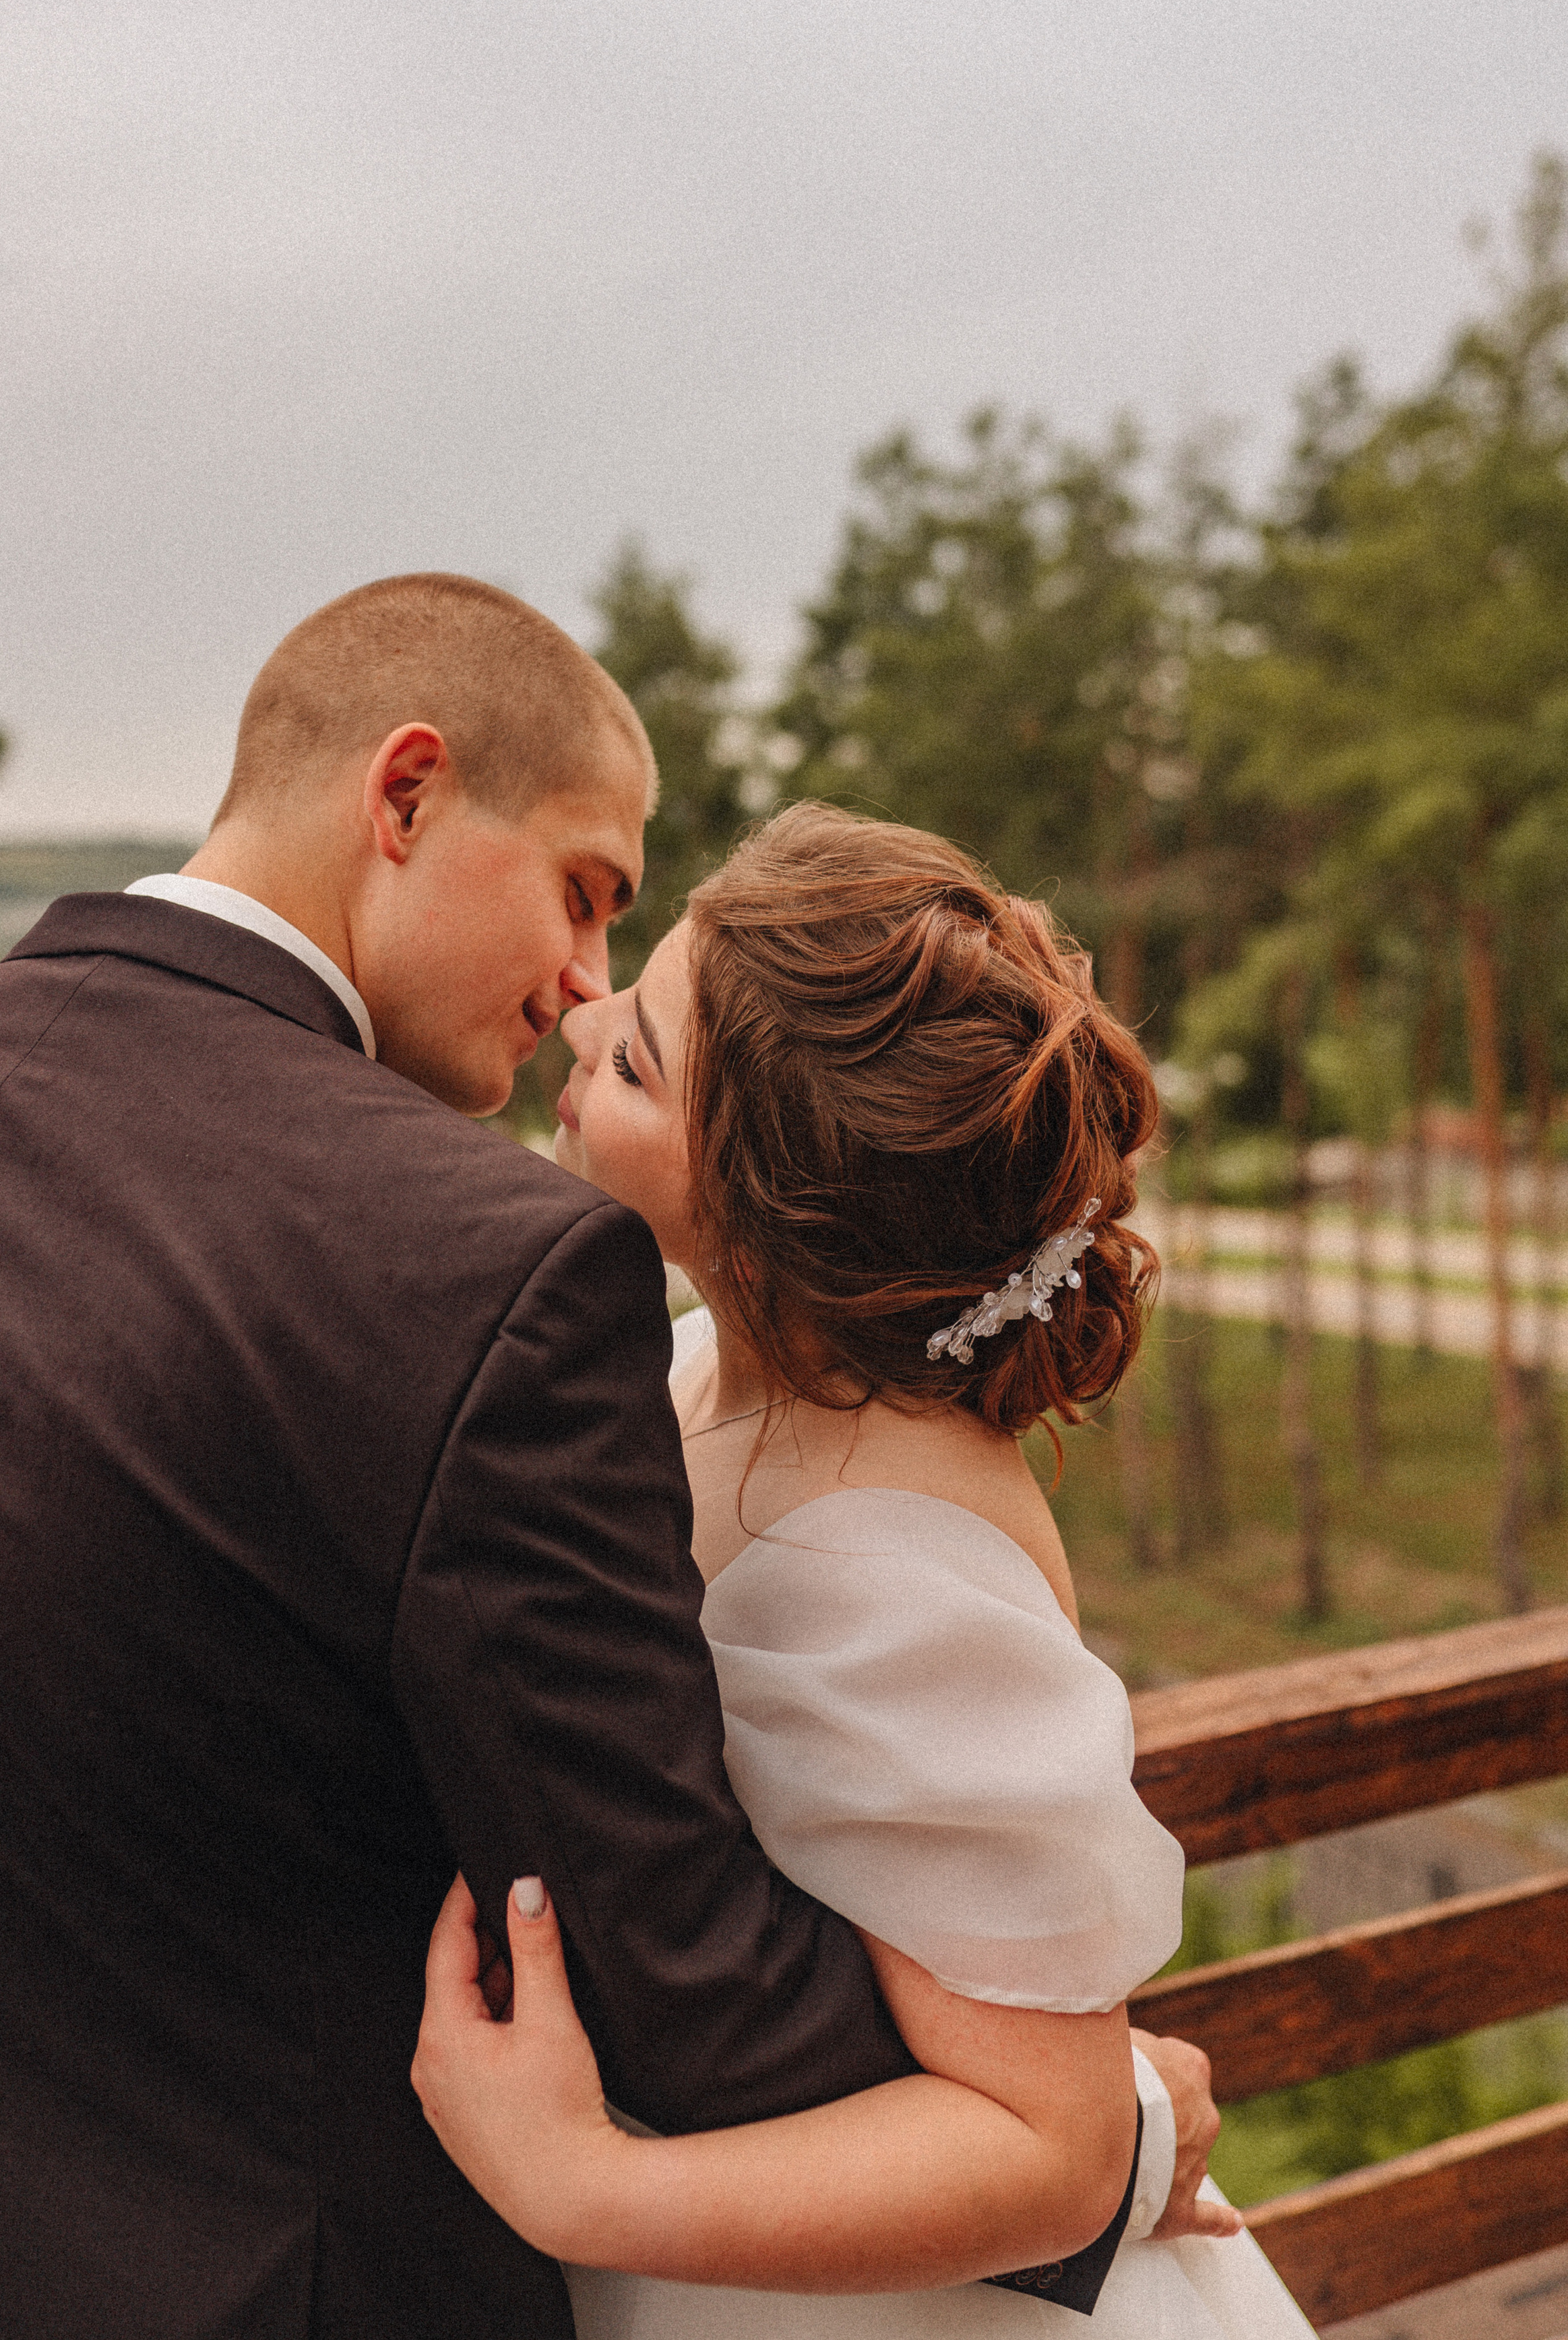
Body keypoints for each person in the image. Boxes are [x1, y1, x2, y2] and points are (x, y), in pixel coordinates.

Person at [0, 579, 1209, 2340]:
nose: (580, 986)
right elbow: (673, 1962)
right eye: (585, 892)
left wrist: (1044, 2112)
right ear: (403, 797)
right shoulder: (475, 1263)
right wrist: (1101, 2134)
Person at [414, 803, 1317, 2337]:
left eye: (638, 1060)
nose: (584, 1014)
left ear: (766, 1227)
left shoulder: (887, 1561)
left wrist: (574, 2184)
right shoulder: (704, 1366)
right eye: (636, 990)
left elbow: (1053, 2145)